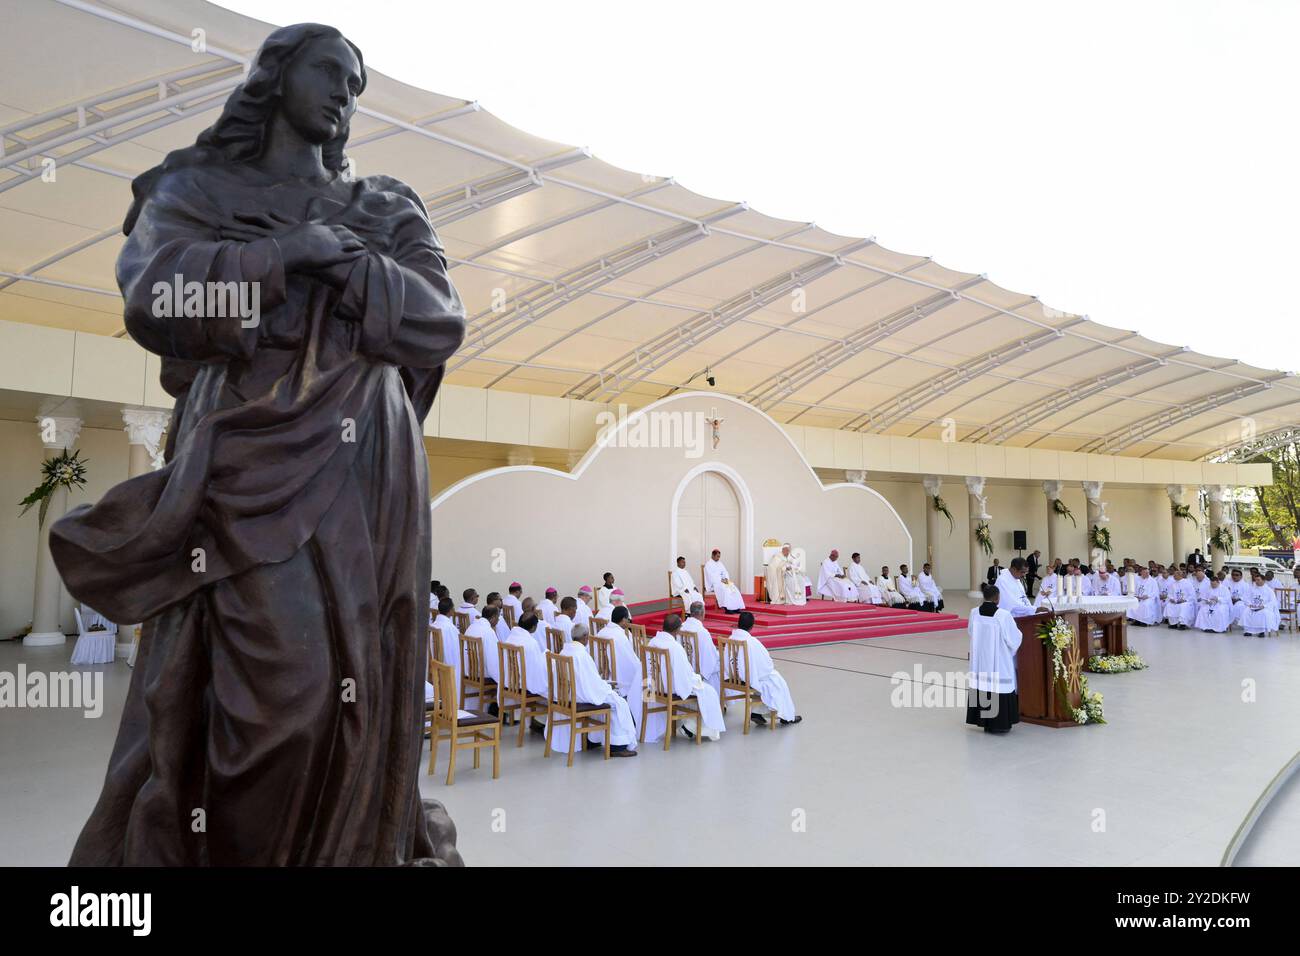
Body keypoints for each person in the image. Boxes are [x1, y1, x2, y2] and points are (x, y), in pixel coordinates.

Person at [548, 624, 638, 758]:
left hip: (567, 696)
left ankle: (592, 739)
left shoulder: (564, 651)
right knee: (619, 703)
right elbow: (592, 685)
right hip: (581, 697)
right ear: (585, 637)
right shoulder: (581, 655)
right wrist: (608, 687)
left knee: (611, 698)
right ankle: (618, 746)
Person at [642, 614, 725, 742]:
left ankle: (690, 725)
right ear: (677, 630)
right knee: (709, 692)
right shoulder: (675, 647)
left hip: (653, 687)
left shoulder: (652, 642)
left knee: (701, 690)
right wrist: (696, 679)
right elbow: (684, 676)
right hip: (671, 689)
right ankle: (700, 728)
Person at [966, 584, 1022, 734]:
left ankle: (985, 722)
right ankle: (1000, 723)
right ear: (997, 598)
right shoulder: (1003, 615)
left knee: (983, 686)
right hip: (999, 660)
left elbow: (971, 632)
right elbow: (1014, 638)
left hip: (981, 661)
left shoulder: (974, 613)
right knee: (999, 686)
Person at [727, 611, 800, 726]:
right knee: (776, 680)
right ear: (752, 626)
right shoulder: (752, 642)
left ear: (739, 623)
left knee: (761, 679)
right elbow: (766, 664)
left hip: (733, 677)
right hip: (746, 679)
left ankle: (757, 712)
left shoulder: (730, 639)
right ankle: (786, 716)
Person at [501, 613, 549, 735]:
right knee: (551, 687)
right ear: (533, 627)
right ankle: (545, 723)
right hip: (523, 685)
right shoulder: (530, 642)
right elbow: (536, 669)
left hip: (510, 682)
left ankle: (537, 722)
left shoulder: (510, 637)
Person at [597, 606, 643, 713]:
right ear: (623, 620)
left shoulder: (602, 632)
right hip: (615, 679)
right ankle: (642, 714)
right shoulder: (619, 636)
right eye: (628, 619)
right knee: (645, 679)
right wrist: (641, 667)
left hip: (602, 675)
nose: (628, 622)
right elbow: (630, 661)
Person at [680, 602, 721, 694]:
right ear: (703, 614)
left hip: (685, 667)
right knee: (720, 664)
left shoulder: (681, 628)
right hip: (698, 670)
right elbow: (710, 657)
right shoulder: (702, 632)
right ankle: (716, 699)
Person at [464, 605, 501, 692]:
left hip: (468, 670)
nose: (498, 620)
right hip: (481, 674)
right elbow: (493, 659)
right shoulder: (488, 631)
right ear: (493, 617)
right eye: (498, 617)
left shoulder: (471, 626)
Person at [431, 596, 462, 695]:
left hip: (434, 663)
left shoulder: (434, 624)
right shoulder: (449, 628)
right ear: (450, 611)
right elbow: (455, 651)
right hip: (445, 666)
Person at [1239, 571, 1276, 638]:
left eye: (1258, 580)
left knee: (1262, 613)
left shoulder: (1269, 590)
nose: (1256, 581)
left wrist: (1263, 606)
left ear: (1263, 580)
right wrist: (1250, 604)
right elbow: (1246, 598)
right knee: (1246, 611)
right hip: (1253, 606)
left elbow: (1272, 601)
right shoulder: (1252, 588)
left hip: (1264, 607)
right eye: (1255, 580)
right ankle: (1248, 631)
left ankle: (1261, 631)